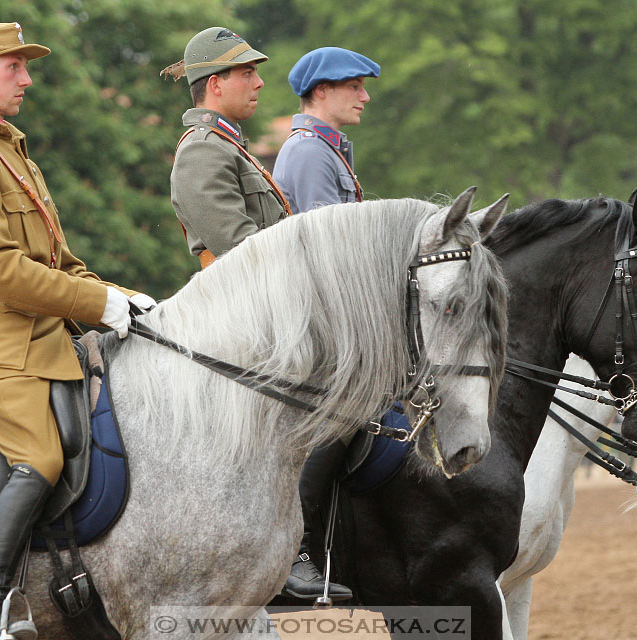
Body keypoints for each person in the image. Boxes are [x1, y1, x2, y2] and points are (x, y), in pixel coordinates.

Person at [0, 22, 154, 640]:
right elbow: (1, 271)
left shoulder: (10, 148)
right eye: (13, 67)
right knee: (41, 456)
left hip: (38, 336)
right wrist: (94, 303)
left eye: (26, 67)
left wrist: (127, 299)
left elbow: (57, 260)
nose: (27, 79)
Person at [272, 47, 379, 602]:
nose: (364, 96)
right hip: (319, 322)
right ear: (320, 92)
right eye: (354, 86)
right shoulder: (311, 153)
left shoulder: (327, 151)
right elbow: (327, 254)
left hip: (332, 315)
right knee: (343, 416)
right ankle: (298, 551)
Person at [161, 26, 291, 269]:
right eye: (247, 74)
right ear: (215, 85)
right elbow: (243, 252)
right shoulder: (202, 150)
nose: (259, 83)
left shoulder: (225, 145)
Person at [272, 46, 379, 213]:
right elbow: (329, 235)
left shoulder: (321, 147)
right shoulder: (309, 149)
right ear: (322, 89)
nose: (365, 97)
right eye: (354, 86)